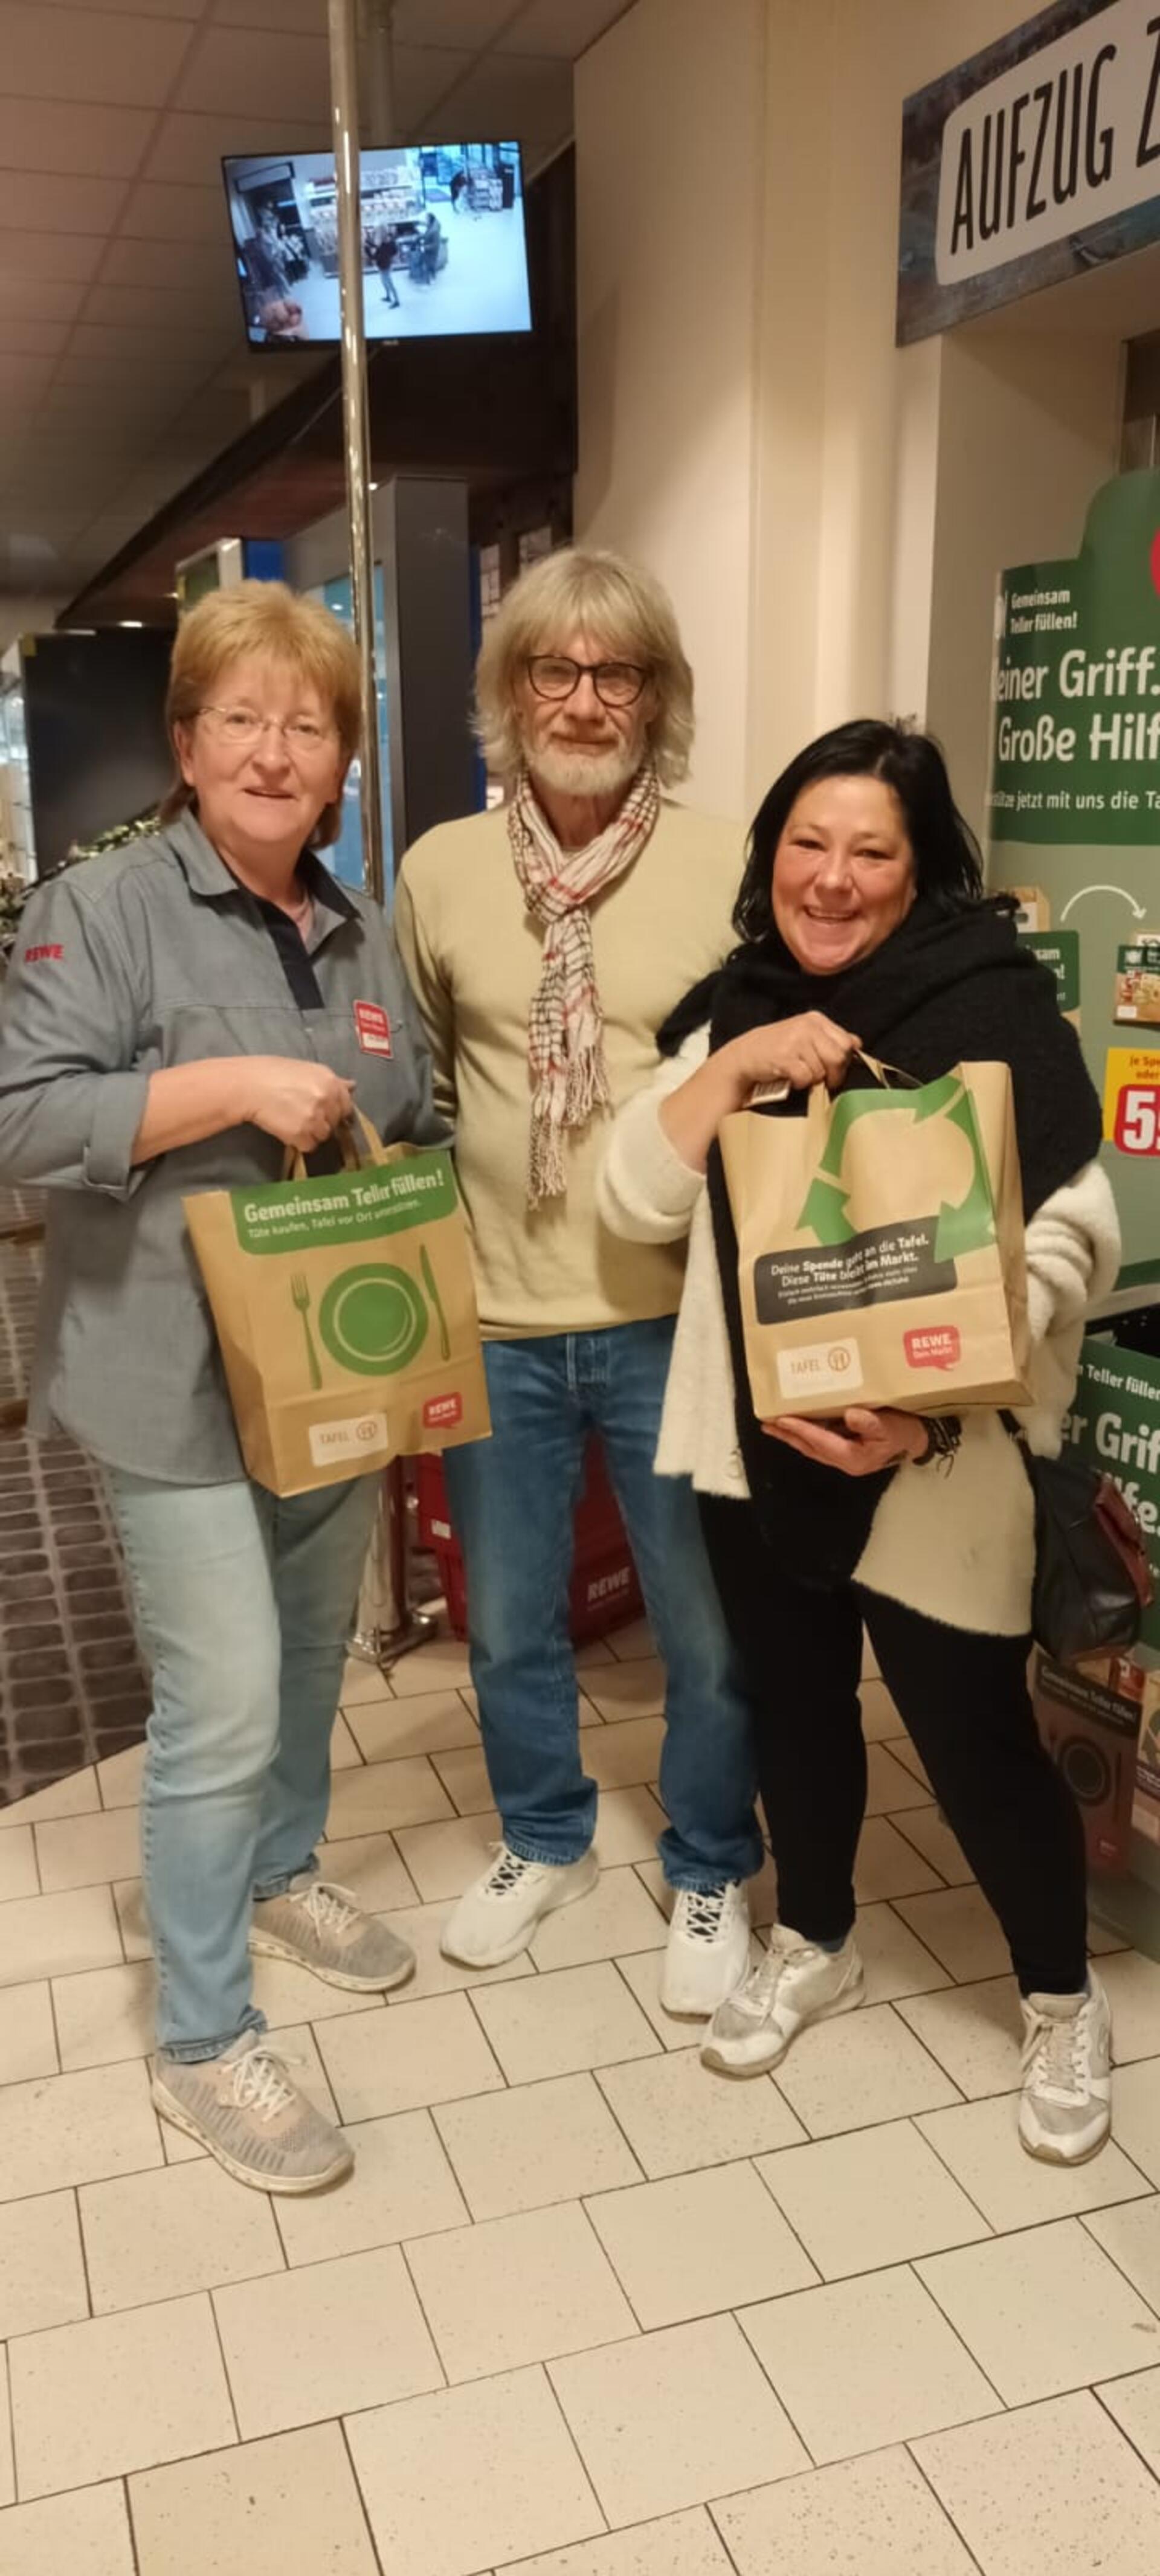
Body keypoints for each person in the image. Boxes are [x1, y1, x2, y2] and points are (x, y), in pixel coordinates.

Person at [599, 718, 1121, 2163]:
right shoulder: (738, 1007)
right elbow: (632, 1200)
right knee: (794, 1706)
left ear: (920, 867)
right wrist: (734, 1068)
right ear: (770, 857)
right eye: (804, 847)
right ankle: (813, 1933)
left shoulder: (993, 1000)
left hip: (937, 1462)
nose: (829, 880)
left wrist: (927, 1396)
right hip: (753, 1448)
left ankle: (1060, 1998)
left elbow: (1078, 1223)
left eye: (869, 852)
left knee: (974, 1736)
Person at [0, 581, 446, 2194]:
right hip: (166, 1378)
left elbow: (414, 1110)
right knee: (227, 1690)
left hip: (333, 1373)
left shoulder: (359, 928)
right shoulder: (102, 907)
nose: (275, 750)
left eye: (307, 723)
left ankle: (275, 1867)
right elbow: (22, 1116)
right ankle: (202, 2038)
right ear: (187, 746)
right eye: (240, 719)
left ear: (342, 760)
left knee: (314, 1645)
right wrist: (224, 1091)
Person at [395, 548, 762, 2013]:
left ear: (657, 696)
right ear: (510, 689)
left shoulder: (730, 861)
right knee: (507, 1617)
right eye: (556, 668)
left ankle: (713, 1856)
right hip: (496, 1315)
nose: (586, 699)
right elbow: (422, 1084)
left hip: (677, 1323)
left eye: (618, 673)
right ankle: (545, 1836)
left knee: (705, 1628)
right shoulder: (439, 869)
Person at [375, 225, 400, 309]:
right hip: (382, 265)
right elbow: (379, 251)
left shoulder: (389, 241)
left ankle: (397, 301)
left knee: (389, 283)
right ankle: (388, 296)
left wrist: (390, 256)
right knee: (384, 282)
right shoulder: (383, 241)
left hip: (386, 265)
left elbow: (394, 251)